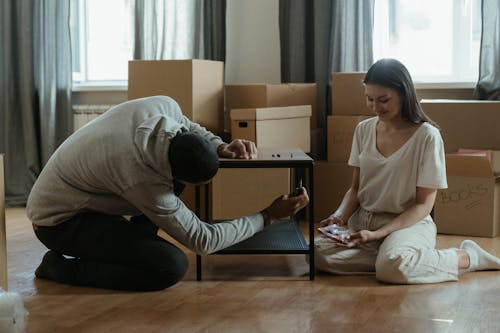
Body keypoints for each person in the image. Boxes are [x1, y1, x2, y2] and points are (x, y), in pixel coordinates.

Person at [27, 95, 309, 291]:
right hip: (59, 222)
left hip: (85, 192)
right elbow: (203, 240)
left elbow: (190, 127)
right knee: (169, 266)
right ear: (171, 175)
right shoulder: (141, 180)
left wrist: (220, 146)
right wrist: (268, 216)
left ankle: (129, 247)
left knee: (147, 244)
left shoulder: (164, 107)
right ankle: (60, 269)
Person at [315, 58, 500, 284]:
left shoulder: (427, 137)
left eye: (383, 100)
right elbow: (355, 189)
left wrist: (379, 235)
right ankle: (393, 258)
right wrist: (339, 216)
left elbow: (423, 205)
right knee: (314, 255)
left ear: (404, 94)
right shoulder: (363, 130)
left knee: (395, 267)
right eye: (369, 99)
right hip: (364, 223)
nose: (375, 107)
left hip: (408, 224)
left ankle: (466, 256)